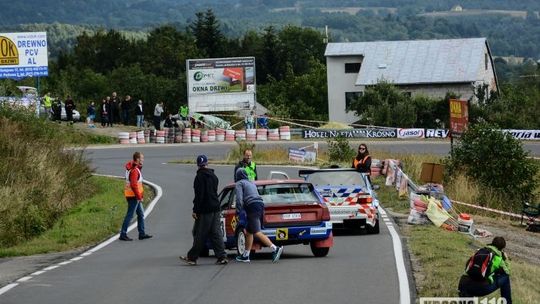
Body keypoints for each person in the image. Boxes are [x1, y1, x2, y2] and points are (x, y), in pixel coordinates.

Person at [179, 155, 228, 266]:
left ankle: (192, 257)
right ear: (207, 164)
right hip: (216, 207)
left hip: (205, 210)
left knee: (200, 234)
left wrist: (195, 210)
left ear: (198, 165)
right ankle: (222, 256)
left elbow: (199, 196)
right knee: (216, 233)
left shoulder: (199, 177)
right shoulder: (214, 176)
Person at [234, 168, 283, 263]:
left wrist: (238, 211)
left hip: (251, 206)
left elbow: (239, 199)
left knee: (256, 231)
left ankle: (275, 248)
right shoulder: (251, 183)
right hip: (260, 204)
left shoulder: (239, 183)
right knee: (249, 231)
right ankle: (246, 255)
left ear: (238, 176)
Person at [458, 236, 512, 304]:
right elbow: (508, 271)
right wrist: (505, 258)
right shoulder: (498, 257)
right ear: (502, 248)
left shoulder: (480, 251)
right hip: (478, 288)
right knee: (506, 277)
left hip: (463, 284)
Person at [119, 152, 153, 241]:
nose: (143, 160)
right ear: (137, 159)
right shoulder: (134, 170)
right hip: (133, 196)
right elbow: (134, 185)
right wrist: (139, 197)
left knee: (141, 214)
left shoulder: (133, 168)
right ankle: (123, 234)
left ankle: (141, 233)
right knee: (130, 215)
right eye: (142, 158)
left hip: (132, 195)